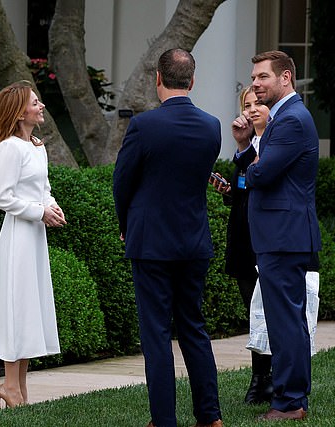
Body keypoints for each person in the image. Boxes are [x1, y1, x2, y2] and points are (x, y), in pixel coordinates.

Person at [113, 48, 222, 427]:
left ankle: (164, 420)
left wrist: (126, 222)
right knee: (194, 327)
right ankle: (210, 417)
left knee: (156, 334)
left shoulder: (144, 126)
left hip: (151, 242)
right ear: (192, 81)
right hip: (193, 240)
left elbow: (122, 182)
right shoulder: (212, 126)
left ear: (157, 79)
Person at [231, 50, 321, 421]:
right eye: (253, 78)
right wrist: (246, 148)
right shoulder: (283, 118)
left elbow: (260, 176)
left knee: (285, 323)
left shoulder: (290, 121)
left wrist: (255, 153)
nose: (255, 83)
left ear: (285, 78)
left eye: (263, 77)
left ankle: (290, 402)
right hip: (279, 236)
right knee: (285, 321)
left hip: (284, 237)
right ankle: (290, 397)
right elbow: (253, 170)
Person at [0, 80, 67, 409]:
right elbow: (2, 197)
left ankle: (18, 387)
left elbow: (42, 187)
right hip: (18, 237)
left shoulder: (37, 146)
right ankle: (10, 386)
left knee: (31, 306)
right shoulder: (8, 148)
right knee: (17, 307)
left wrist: (51, 205)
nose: (42, 106)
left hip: (35, 235)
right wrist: (39, 212)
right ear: (21, 111)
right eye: (36, 102)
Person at [210, 86, 274, 404]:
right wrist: (229, 189)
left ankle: (271, 378)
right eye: (246, 105)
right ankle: (260, 378)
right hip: (244, 240)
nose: (250, 110)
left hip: (270, 241)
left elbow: (261, 178)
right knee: (254, 312)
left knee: (271, 311)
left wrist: (244, 147)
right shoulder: (247, 146)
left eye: (257, 104)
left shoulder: (275, 141)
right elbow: (244, 188)